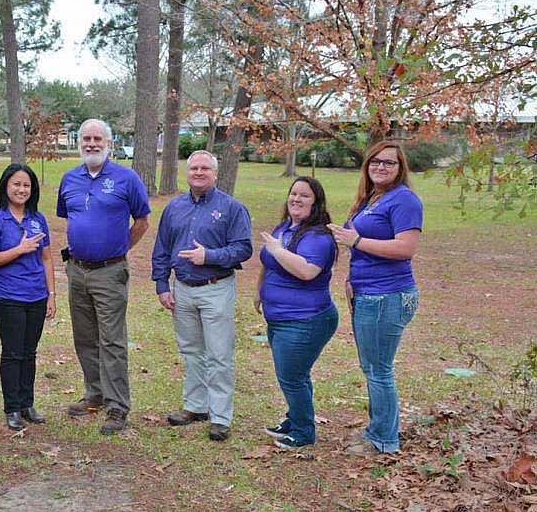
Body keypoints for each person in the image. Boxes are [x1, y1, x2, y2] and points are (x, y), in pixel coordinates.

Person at [327, 140, 422, 455]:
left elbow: (404, 248)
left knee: (379, 369)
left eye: (389, 163)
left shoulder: (404, 200)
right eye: (375, 162)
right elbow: (348, 239)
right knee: (373, 367)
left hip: (388, 295)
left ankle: (383, 439)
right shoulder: (371, 198)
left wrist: (357, 240)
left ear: (400, 168)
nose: (381, 167)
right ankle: (379, 431)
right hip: (368, 293)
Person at [58, 118, 151, 435]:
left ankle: (117, 406)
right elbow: (68, 217)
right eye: (86, 138)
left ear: (109, 143)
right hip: (77, 271)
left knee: (111, 340)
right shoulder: (70, 179)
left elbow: (142, 221)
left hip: (110, 272)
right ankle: (94, 394)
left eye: (98, 138)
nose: (92, 144)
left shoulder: (126, 178)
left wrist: (120, 248)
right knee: (85, 337)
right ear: (79, 142)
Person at [151, 150, 252, 442]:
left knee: (219, 354)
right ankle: (195, 406)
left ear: (215, 173)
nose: (198, 172)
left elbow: (244, 248)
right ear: (187, 172)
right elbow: (161, 249)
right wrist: (161, 285)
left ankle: (220, 416)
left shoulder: (232, 208)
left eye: (204, 168)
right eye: (193, 168)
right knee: (192, 351)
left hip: (216, 287)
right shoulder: (174, 208)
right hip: (183, 289)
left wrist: (208, 255)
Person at [255, 176, 338, 449]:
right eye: (293, 194)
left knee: (292, 376)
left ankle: (304, 432)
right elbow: (268, 262)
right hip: (279, 317)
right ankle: (295, 418)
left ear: (316, 203)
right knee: (293, 374)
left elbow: (306, 271)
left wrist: (277, 250)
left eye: (304, 195)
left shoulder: (319, 236)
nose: (296, 199)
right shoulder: (284, 228)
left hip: (306, 319)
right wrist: (259, 291)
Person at [0, 164, 56, 430]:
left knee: (30, 352)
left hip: (36, 296)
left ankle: (27, 403)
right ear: (5, 186)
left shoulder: (39, 219)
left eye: (26, 185)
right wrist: (19, 249)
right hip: (9, 297)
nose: (21, 189)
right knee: (13, 353)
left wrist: (51, 294)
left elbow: (46, 258)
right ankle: (12, 407)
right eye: (16, 184)